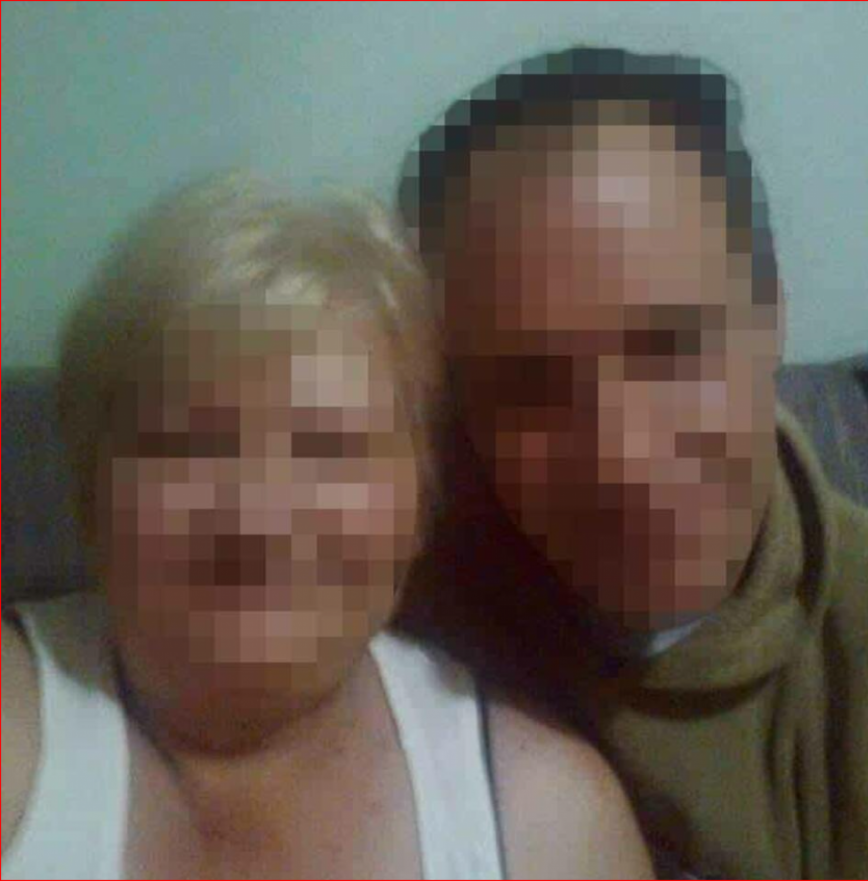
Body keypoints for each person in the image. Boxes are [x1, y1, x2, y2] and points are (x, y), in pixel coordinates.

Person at [1, 175, 654, 879]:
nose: (258, 517)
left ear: (421, 503)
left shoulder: (550, 822)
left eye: (331, 449)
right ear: (90, 486)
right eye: (187, 444)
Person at [396, 46, 868, 879]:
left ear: (770, 309)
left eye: (672, 346)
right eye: (529, 383)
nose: (623, 459)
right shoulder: (395, 608)